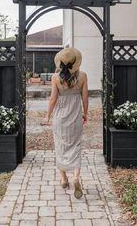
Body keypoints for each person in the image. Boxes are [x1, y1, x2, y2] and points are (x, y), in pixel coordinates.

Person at [44, 47, 88, 199]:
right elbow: (85, 98)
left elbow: (53, 99)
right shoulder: (82, 76)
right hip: (75, 116)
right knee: (76, 146)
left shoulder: (55, 78)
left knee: (60, 145)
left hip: (60, 117)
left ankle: (63, 179)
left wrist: (47, 116)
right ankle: (76, 176)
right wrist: (85, 113)